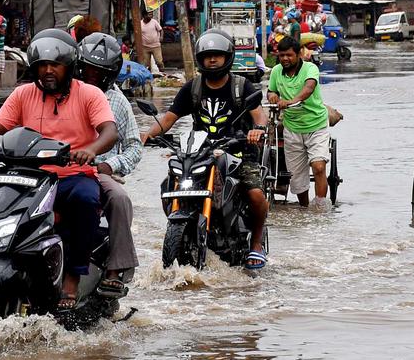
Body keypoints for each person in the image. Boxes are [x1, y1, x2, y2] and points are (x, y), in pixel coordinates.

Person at [0, 31, 119, 308]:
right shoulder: (22, 94)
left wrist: (90, 150)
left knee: (85, 200)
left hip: (71, 176)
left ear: (69, 66)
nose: (48, 71)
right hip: (27, 179)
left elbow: (109, 131)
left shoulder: (89, 94)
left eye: (55, 65)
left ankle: (72, 276)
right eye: (42, 65)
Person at [141, 29, 270, 270]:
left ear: (227, 57)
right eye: (208, 55)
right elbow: (169, 118)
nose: (212, 60)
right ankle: (182, 230)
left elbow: (259, 115)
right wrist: (147, 134)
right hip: (201, 152)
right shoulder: (193, 88)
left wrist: (257, 130)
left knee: (255, 194)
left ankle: (257, 243)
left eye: (217, 55)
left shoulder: (242, 86)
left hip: (239, 151)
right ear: (200, 59)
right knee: (170, 184)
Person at [75, 32, 141, 298]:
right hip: (59, 169)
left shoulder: (118, 102)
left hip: (97, 172)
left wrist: (109, 165)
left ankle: (115, 270)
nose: (91, 77)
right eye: (87, 70)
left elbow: (134, 147)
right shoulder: (64, 93)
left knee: (119, 199)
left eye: (98, 72)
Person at [268, 35, 330, 209]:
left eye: (289, 55)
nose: (285, 59)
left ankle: (319, 208)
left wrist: (290, 101)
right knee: (297, 178)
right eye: (282, 55)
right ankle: (304, 209)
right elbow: (271, 91)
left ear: (298, 54)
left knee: (318, 167)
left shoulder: (310, 68)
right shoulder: (275, 72)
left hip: (316, 125)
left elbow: (309, 88)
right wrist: (272, 96)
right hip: (292, 128)